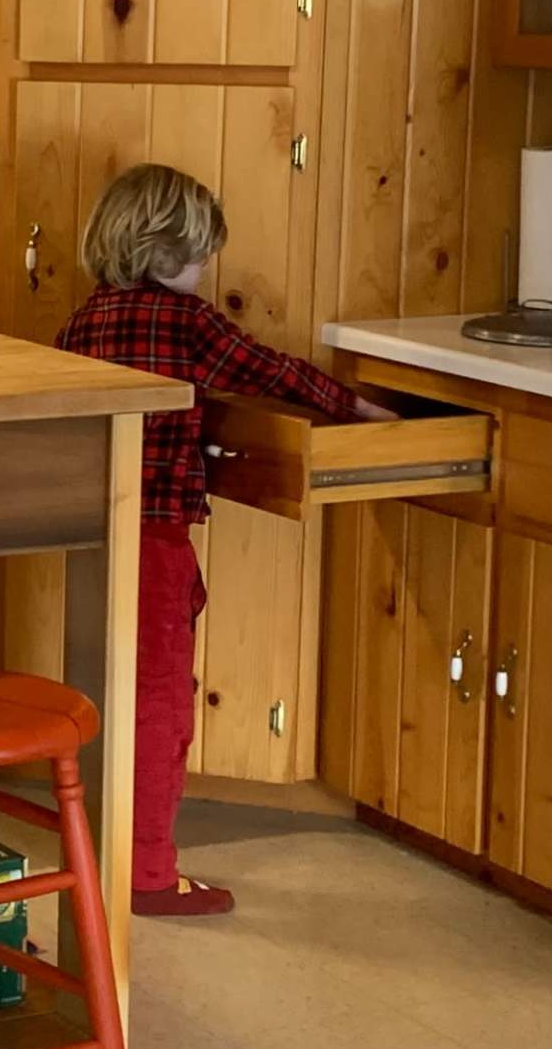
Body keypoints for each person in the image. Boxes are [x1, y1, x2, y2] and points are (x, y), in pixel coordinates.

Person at [53, 164, 391, 918]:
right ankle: (148, 875)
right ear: (164, 251)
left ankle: (100, 853)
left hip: (92, 537)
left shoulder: (86, 319)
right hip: (156, 538)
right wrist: (357, 407)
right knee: (162, 706)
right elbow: (272, 372)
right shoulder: (188, 324)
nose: (208, 270)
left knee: (107, 699)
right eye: (202, 254)